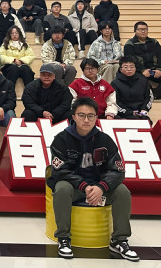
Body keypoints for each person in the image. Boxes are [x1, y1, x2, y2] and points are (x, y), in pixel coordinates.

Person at [47, 97, 139, 261]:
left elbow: (118, 170)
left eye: (90, 116)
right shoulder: (61, 139)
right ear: (74, 117)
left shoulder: (105, 140)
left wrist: (101, 187)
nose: (86, 120)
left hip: (98, 188)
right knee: (61, 188)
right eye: (81, 115)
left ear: (96, 117)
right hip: (75, 188)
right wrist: (84, 186)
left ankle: (119, 240)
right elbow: (60, 170)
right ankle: (64, 238)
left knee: (122, 191)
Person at [124, 21, 161, 100]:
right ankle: (159, 94)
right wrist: (142, 70)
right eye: (140, 29)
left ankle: (155, 94)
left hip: (154, 70)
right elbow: (131, 60)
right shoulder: (129, 44)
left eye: (145, 29)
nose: (143, 31)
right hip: (139, 71)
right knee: (140, 81)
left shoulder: (154, 42)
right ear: (135, 31)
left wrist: (159, 69)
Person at [111, 56, 153, 121]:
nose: (129, 69)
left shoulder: (143, 81)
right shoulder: (115, 83)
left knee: (147, 122)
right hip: (123, 115)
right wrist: (130, 112)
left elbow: (149, 97)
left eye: (131, 67)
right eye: (126, 67)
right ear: (121, 69)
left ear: (135, 68)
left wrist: (144, 109)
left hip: (141, 113)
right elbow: (115, 102)